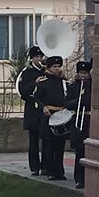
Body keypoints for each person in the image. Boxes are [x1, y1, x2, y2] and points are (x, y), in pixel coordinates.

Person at [33, 55, 69, 181]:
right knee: (49, 145)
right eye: (54, 66)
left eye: (59, 66)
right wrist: (43, 107)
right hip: (48, 115)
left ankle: (59, 170)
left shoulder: (64, 83)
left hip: (61, 115)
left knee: (60, 145)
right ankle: (50, 170)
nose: (57, 69)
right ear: (49, 67)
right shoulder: (43, 83)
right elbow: (37, 98)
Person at [16, 47, 45, 175]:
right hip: (32, 109)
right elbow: (23, 91)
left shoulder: (45, 71)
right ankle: (34, 167)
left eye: (41, 57)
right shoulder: (27, 72)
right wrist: (35, 82)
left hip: (44, 108)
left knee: (46, 139)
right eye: (37, 57)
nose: (40, 59)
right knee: (33, 141)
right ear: (32, 58)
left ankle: (45, 166)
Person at [66, 60, 93, 189]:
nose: (83, 76)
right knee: (79, 152)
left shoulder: (92, 86)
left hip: (89, 119)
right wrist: (78, 101)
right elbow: (67, 103)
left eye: (86, 73)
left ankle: (90, 178)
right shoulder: (73, 87)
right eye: (81, 73)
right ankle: (79, 179)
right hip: (78, 121)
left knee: (90, 152)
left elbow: (90, 101)